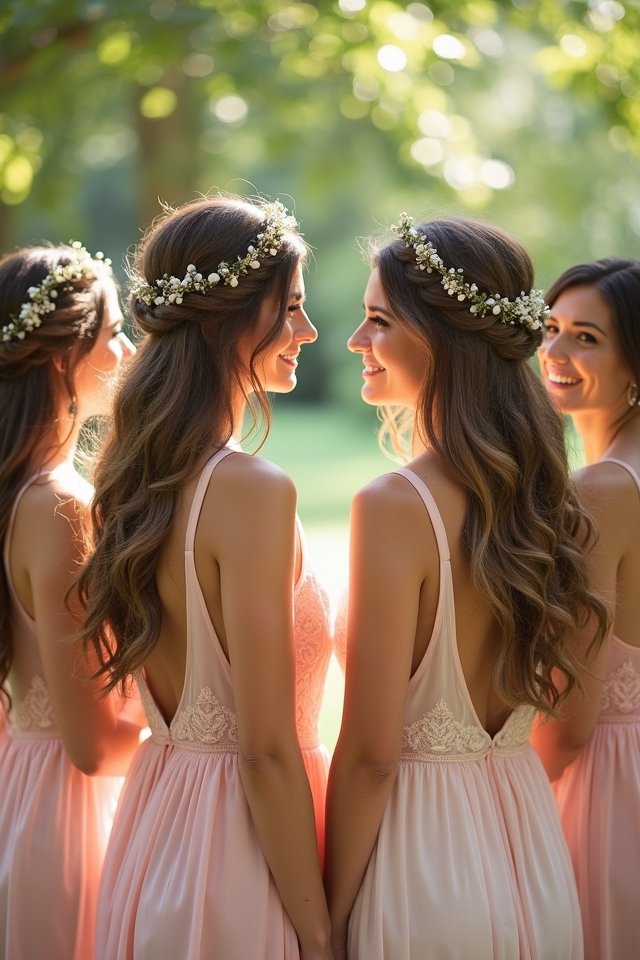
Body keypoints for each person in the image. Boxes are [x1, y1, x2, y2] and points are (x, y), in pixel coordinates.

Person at [324, 213, 611, 960]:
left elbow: (371, 756)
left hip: (422, 871)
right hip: (532, 858)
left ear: (441, 336)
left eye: (378, 320)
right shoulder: (556, 499)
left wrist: (322, 912)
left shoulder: (393, 507)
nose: (356, 342)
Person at [76, 195, 334, 959]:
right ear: (231, 320)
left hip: (154, 830)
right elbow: (264, 747)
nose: (307, 333)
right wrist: (318, 932)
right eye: (289, 309)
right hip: (240, 856)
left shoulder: (132, 482)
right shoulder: (249, 491)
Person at [0, 241, 142, 959]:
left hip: (25, 786)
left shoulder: (17, 494)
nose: (127, 351)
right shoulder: (57, 507)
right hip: (72, 818)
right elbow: (93, 745)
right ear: (62, 358)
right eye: (114, 332)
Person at [531, 258, 640, 960]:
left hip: (606, 789)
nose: (556, 354)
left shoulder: (603, 489)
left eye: (586, 338)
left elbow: (570, 721)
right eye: (550, 329)